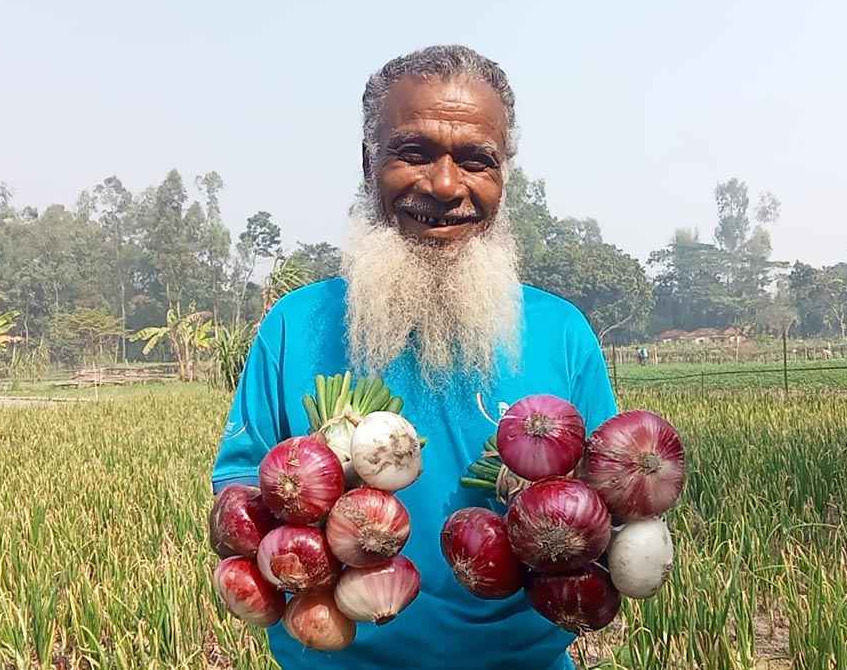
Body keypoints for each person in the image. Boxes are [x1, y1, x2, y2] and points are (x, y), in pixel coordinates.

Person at [210, 45, 617, 670]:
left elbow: (604, 503)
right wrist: (320, 518)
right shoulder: (295, 326)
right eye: (415, 153)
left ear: (504, 175)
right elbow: (238, 498)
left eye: (476, 161)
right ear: (369, 161)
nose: (446, 185)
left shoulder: (561, 331)